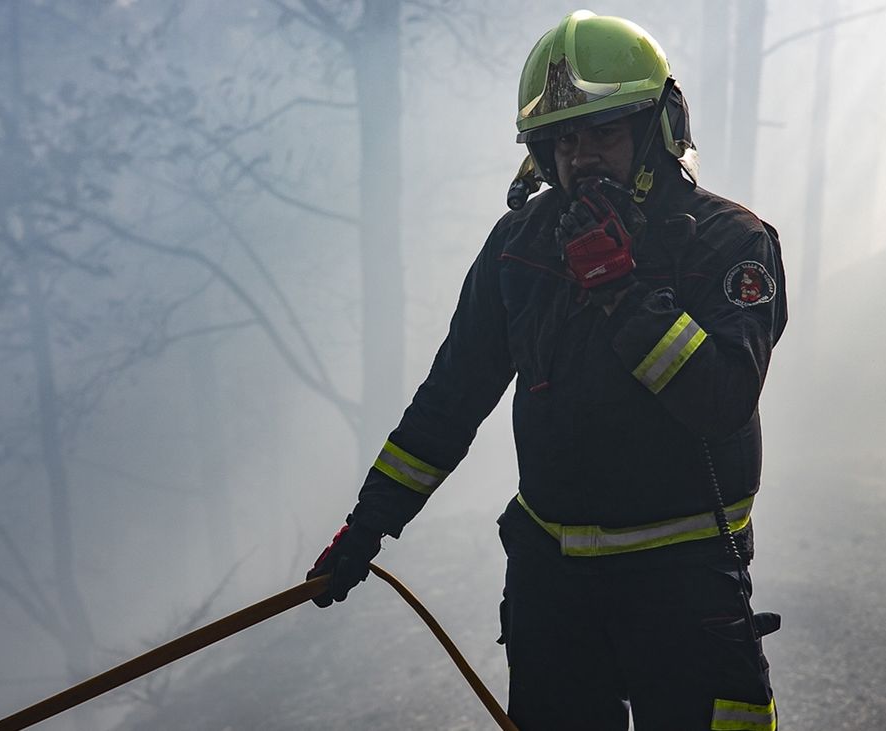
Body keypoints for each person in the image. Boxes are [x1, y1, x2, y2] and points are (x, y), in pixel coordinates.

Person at [308, 10, 786, 730]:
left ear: (657, 130)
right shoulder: (520, 247)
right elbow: (448, 401)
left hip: (684, 581)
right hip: (553, 581)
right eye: (563, 139)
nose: (582, 156)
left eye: (603, 132)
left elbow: (721, 400)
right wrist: (367, 525)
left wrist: (623, 295)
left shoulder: (729, 242)